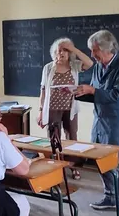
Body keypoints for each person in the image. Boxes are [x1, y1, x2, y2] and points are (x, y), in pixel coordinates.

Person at [74, 30, 119, 216]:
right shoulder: (99, 66)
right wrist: (79, 92)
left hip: (116, 122)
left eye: (95, 50)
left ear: (107, 48)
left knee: (117, 165)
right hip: (99, 121)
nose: (92, 55)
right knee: (100, 162)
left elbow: (117, 95)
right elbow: (96, 94)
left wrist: (93, 90)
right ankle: (110, 196)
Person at [37, 38, 92, 180]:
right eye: (57, 50)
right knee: (53, 138)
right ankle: (56, 166)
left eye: (63, 50)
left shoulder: (74, 66)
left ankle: (73, 167)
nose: (60, 53)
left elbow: (90, 63)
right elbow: (43, 90)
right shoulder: (48, 68)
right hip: (52, 108)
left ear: (69, 53)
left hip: (70, 108)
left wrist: (73, 48)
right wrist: (41, 111)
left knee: (72, 137)